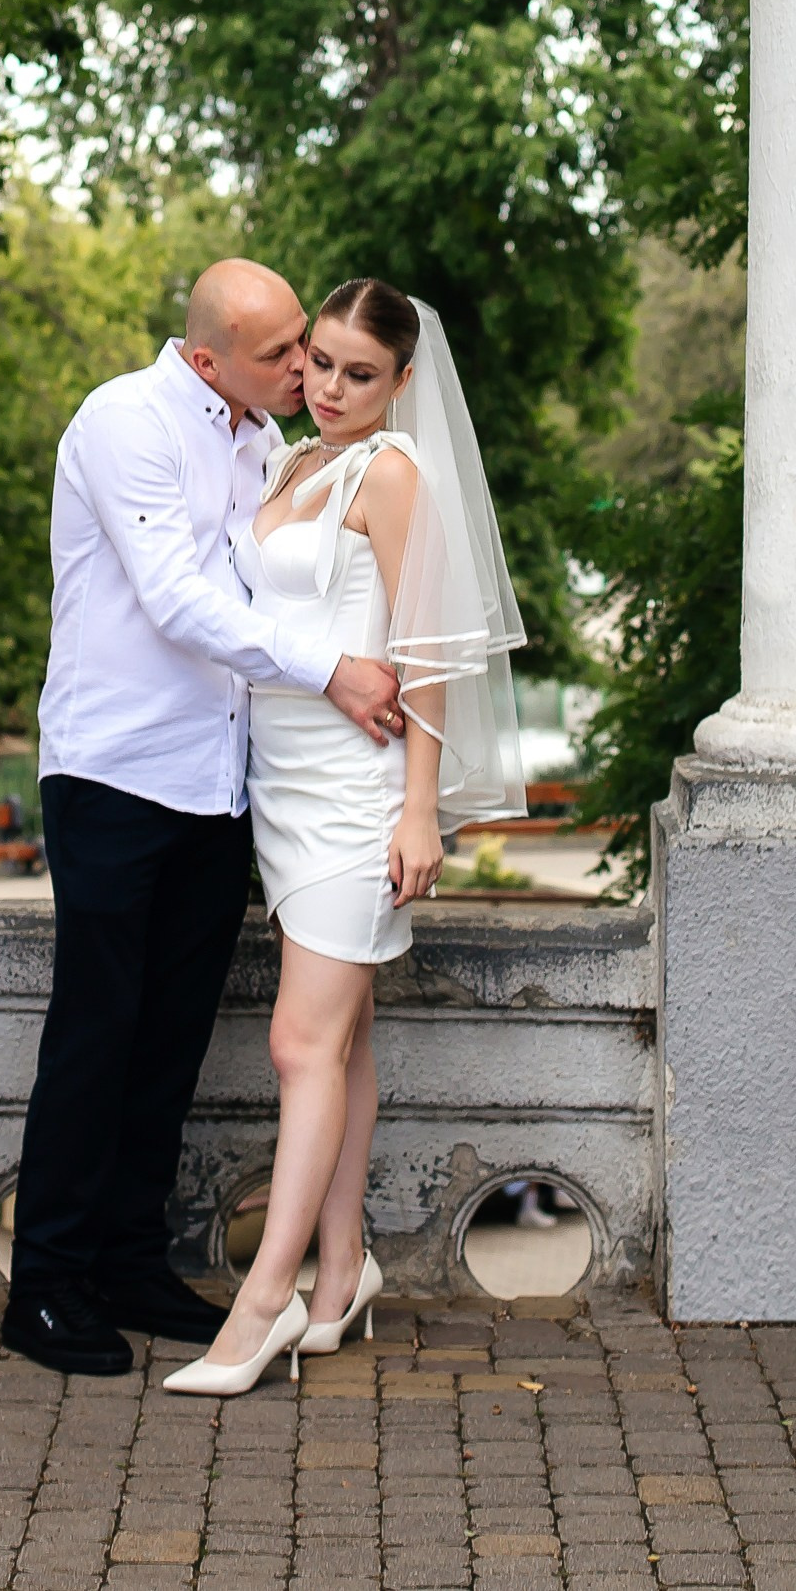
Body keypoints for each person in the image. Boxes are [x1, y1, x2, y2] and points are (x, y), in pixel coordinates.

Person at [1, 258, 408, 1377]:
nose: (301, 370)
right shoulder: (124, 421)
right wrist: (331, 668)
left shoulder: (257, 442)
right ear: (203, 356)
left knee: (172, 1034)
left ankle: (130, 1261)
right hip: (114, 774)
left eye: (306, 349)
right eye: (282, 354)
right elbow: (179, 600)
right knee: (96, 1029)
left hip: (218, 785)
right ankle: (44, 1286)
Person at [162, 277, 526, 1397]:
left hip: (358, 794)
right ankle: (338, 1275)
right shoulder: (285, 462)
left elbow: (427, 658)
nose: (327, 388)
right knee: (344, 1044)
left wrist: (420, 807)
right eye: (317, 362)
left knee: (296, 1045)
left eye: (358, 374)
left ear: (403, 383)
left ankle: (260, 1305)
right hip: (280, 781)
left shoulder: (392, 474)